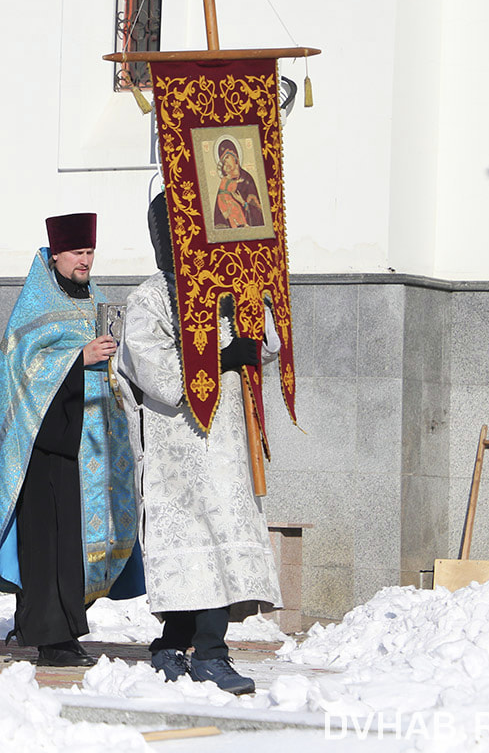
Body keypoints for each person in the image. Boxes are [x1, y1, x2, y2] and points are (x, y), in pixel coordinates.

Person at [116, 193, 281, 694]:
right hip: (179, 446)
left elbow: (267, 346)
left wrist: (260, 300)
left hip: (227, 443)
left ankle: (173, 643)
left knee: (216, 545)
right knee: (197, 546)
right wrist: (224, 357)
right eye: (170, 234)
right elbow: (157, 374)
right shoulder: (149, 298)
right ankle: (210, 653)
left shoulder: (224, 287)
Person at [0, 213, 141, 667]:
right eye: (78, 253)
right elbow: (20, 370)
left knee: (72, 547)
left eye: (90, 252)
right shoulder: (35, 304)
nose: (85, 260)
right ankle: (51, 638)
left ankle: (59, 629)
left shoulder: (95, 299)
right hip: (40, 447)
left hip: (85, 447)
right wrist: (78, 357)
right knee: (44, 544)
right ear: (56, 253)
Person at [213, 139, 265, 229]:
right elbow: (218, 217)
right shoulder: (224, 181)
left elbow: (259, 213)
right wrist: (225, 214)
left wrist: (243, 203)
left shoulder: (247, 179)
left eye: (227, 157)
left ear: (235, 156)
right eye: (223, 161)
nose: (226, 163)